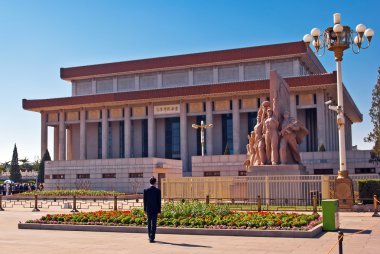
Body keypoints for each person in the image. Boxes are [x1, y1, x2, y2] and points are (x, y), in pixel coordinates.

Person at [143, 177, 161, 243]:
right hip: (155, 210)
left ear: (150, 182)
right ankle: (152, 238)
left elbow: (145, 201)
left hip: (148, 209)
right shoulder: (158, 191)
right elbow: (159, 202)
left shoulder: (146, 190)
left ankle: (149, 236)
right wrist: (159, 211)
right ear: (155, 182)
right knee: (154, 224)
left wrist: (144, 209)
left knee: (149, 223)